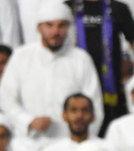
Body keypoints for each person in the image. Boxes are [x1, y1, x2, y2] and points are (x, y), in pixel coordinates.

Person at [0, 1, 103, 142]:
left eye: (61, 25)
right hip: (27, 144)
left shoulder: (81, 59)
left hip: (70, 144)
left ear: (68, 27)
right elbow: (5, 98)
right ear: (39, 27)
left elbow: (95, 107)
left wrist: (81, 142)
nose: (55, 32)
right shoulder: (21, 56)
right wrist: (28, 121)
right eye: (49, 25)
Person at [66, 0, 134, 134]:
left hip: (111, 92)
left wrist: (133, 83)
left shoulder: (118, 9)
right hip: (76, 91)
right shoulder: (68, 8)